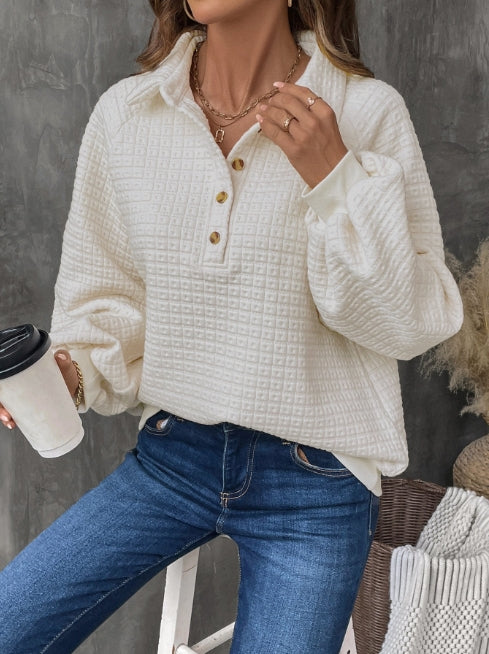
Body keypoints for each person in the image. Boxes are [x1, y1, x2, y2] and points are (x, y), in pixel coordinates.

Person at [0, 0, 463, 652]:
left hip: (317, 483)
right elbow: (109, 296)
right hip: (172, 456)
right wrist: (72, 373)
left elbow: (409, 323)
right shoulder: (126, 115)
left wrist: (335, 178)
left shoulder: (365, 112)